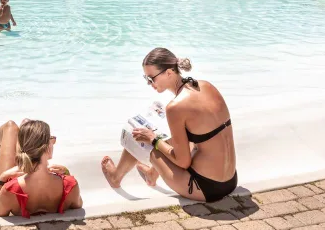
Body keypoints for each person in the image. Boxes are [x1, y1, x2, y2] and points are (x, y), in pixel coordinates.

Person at [101, 48, 237, 203]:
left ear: (169, 73)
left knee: (138, 135)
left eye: (151, 78)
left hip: (204, 187)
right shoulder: (205, 86)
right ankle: (152, 174)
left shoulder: (175, 107)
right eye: (146, 78)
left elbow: (183, 162)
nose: (149, 83)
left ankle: (115, 177)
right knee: (173, 135)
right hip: (230, 180)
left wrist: (153, 139)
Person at [0, 120, 82, 217]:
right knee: (27, 122)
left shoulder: (9, 190)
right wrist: (66, 174)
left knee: (10, 126)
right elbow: (78, 204)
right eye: (52, 140)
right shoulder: (71, 185)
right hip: (23, 179)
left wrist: (2, 179)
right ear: (48, 149)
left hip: (14, 182)